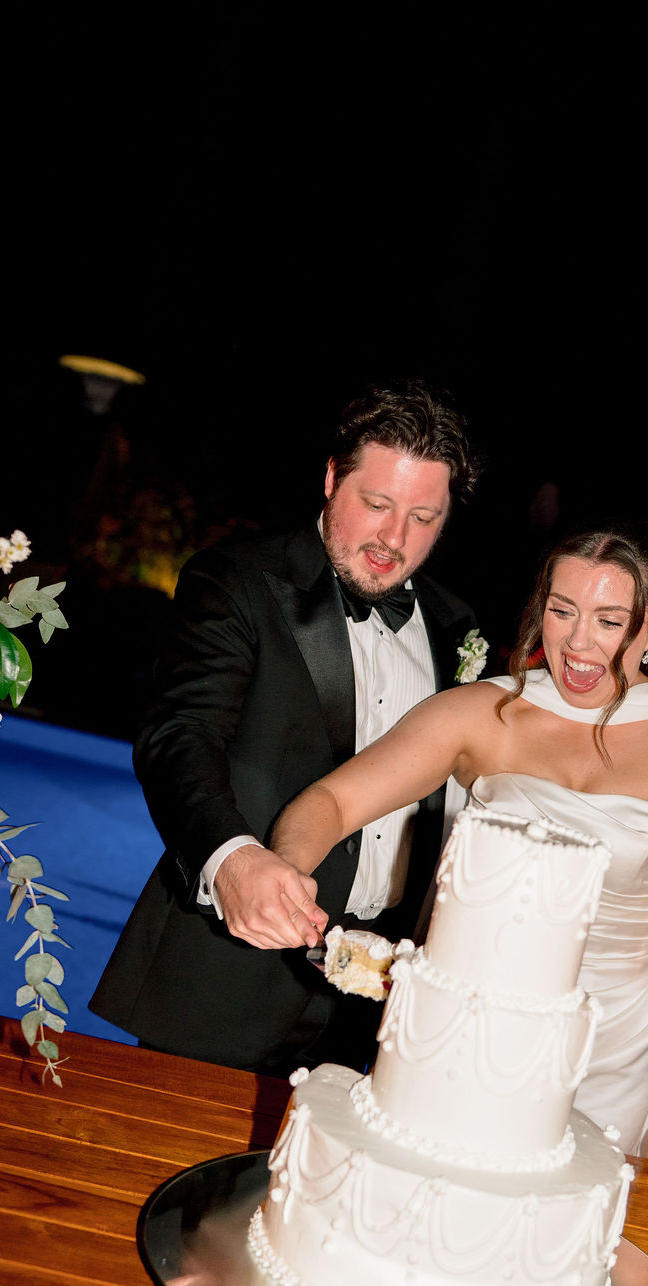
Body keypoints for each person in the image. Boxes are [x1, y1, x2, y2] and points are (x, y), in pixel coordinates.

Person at [267, 524, 648, 1186]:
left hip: (613, 1048)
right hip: (465, 1029)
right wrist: (285, 872)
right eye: (561, 611)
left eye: (610, 621)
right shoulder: (484, 712)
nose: (578, 643)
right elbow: (330, 804)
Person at [89, 379, 479, 1073]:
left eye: (423, 516)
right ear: (332, 480)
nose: (395, 538)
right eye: (377, 504)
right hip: (230, 976)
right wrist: (230, 858)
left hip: (380, 1010)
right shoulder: (236, 581)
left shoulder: (459, 630)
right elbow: (181, 736)